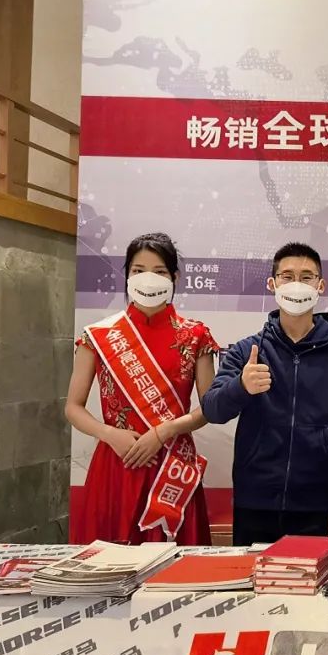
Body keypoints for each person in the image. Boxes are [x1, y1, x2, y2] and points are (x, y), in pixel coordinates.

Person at [201, 242, 328, 546]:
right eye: (287, 276)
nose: (296, 284)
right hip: (255, 502)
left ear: (320, 286)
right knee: (251, 577)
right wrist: (241, 386)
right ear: (273, 284)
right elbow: (212, 409)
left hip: (317, 505)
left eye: (306, 277)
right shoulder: (248, 350)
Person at [66, 232, 217, 545]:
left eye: (159, 271)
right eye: (138, 270)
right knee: (111, 561)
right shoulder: (98, 336)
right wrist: (110, 434)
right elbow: (73, 407)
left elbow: (209, 408)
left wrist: (163, 432)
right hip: (118, 461)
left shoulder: (195, 336)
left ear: (174, 278)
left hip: (172, 464)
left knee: (176, 564)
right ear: (127, 276)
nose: (148, 278)